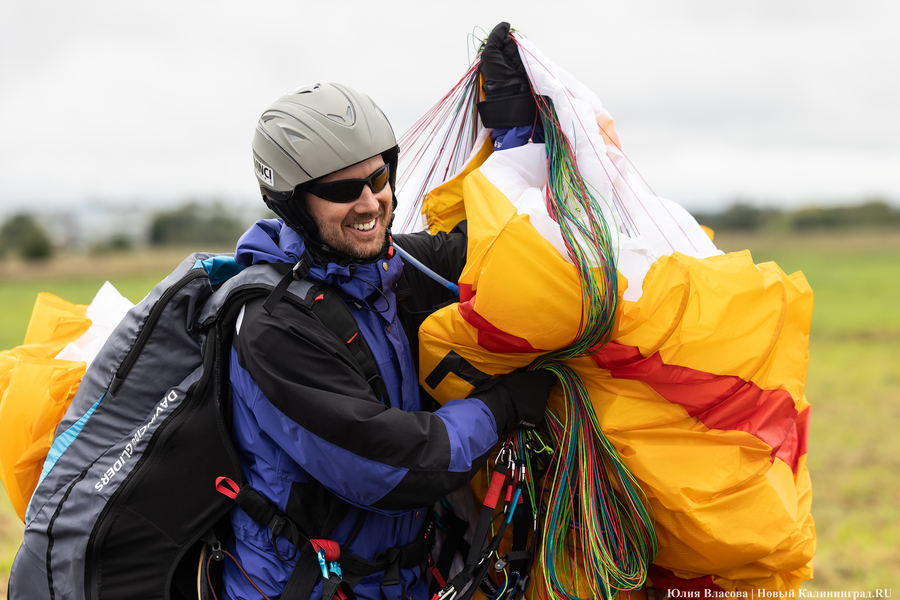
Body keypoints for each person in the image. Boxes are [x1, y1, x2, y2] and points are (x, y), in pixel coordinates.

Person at [223, 80, 557, 600]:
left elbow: (501, 246)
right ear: (292, 204)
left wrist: (518, 128)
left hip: (401, 580)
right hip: (304, 588)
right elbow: (392, 469)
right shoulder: (274, 328)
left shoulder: (384, 269)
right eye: (340, 190)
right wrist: (501, 408)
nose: (369, 202)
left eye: (378, 177)